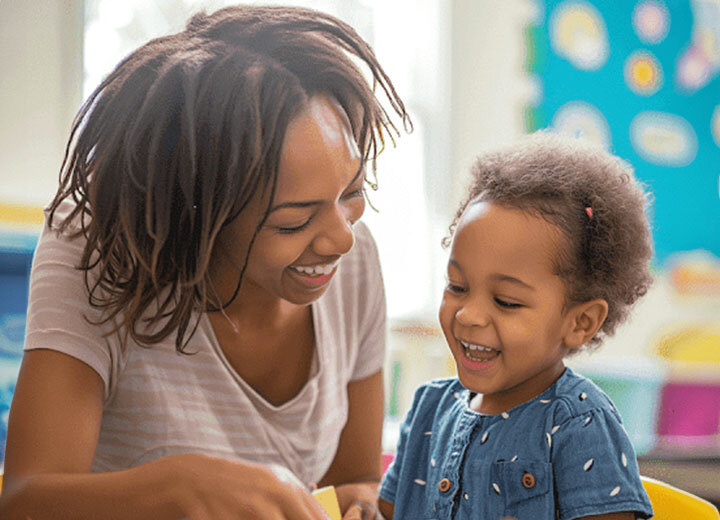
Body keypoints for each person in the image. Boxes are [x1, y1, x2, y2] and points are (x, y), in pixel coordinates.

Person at [0, 5, 410, 519]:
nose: (340, 239)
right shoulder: (96, 249)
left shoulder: (355, 257)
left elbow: (353, 482)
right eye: (291, 222)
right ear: (199, 216)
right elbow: (25, 503)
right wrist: (178, 487)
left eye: (351, 192)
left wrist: (360, 503)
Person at [378, 132, 654, 520]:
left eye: (505, 301)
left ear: (581, 322)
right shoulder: (429, 410)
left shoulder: (578, 423)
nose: (468, 315)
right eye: (457, 286)